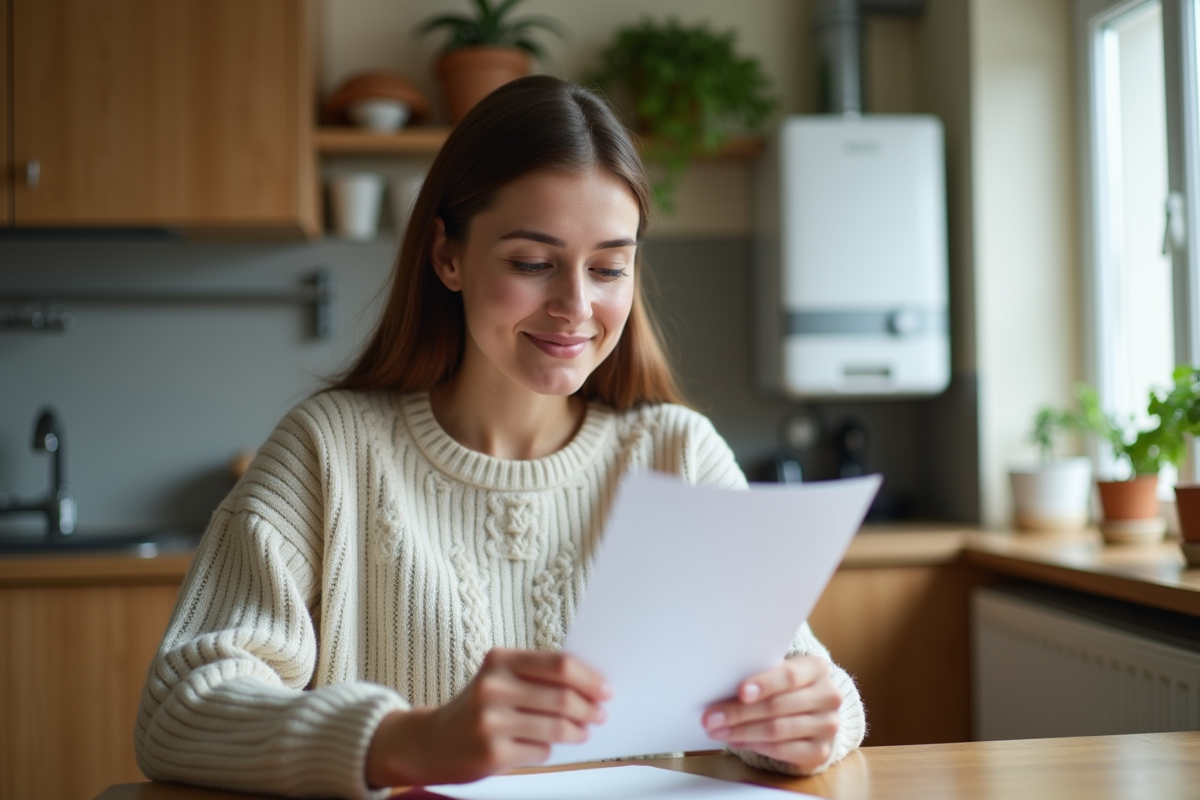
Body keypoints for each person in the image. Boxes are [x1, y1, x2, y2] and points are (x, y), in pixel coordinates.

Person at [134, 75, 865, 800]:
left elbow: (808, 687)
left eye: (609, 267)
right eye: (532, 263)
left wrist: (810, 722)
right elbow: (179, 711)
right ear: (448, 256)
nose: (576, 307)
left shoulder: (678, 455)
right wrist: (409, 742)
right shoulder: (329, 452)